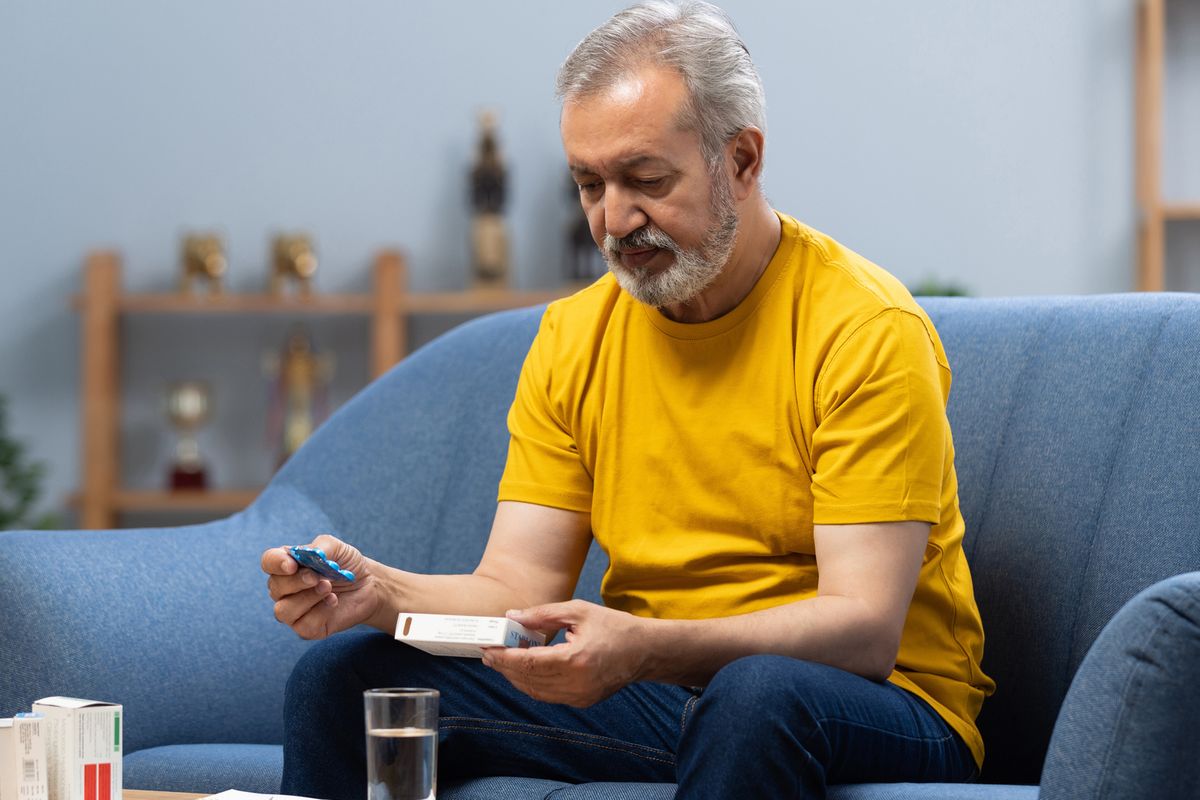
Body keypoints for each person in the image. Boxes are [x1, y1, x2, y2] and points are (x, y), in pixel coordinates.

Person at [261, 2, 995, 797]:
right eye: (589, 184)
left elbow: (862, 629)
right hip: (665, 694)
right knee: (345, 677)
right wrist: (380, 594)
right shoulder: (575, 336)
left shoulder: (863, 329)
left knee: (757, 693)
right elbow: (515, 587)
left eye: (646, 180)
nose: (614, 220)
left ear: (742, 160)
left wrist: (644, 647)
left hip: (878, 706)